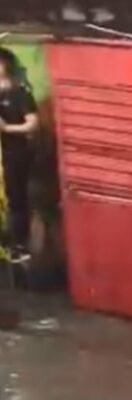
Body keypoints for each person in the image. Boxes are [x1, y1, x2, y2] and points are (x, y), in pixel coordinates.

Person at [0, 50, 39, 263]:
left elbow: (32, 123)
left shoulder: (20, 93)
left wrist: (7, 129)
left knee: (18, 199)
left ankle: (19, 245)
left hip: (15, 153)